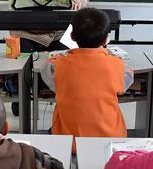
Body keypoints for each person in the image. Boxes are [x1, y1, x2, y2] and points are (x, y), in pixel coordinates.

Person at [40, 8, 133, 139]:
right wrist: (109, 54)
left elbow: (47, 74)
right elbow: (127, 79)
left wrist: (55, 57)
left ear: (72, 36)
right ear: (106, 39)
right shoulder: (117, 65)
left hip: (68, 139)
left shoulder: (57, 65)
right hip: (110, 138)